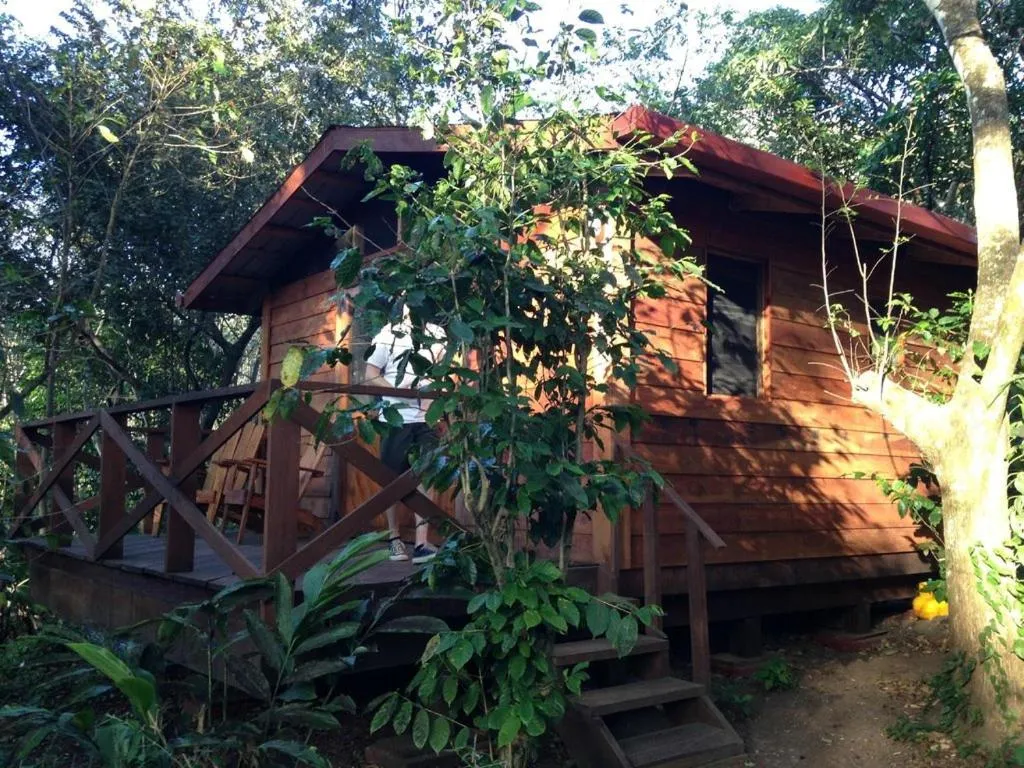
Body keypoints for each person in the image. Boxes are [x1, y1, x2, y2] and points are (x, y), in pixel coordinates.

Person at [364, 310, 447, 563]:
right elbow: (371, 374)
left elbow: (440, 374)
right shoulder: (387, 334)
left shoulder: (438, 334)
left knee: (426, 478)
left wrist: (440, 409)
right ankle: (394, 539)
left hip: (426, 419)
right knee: (392, 480)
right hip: (395, 418)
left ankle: (422, 543)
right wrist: (399, 390)